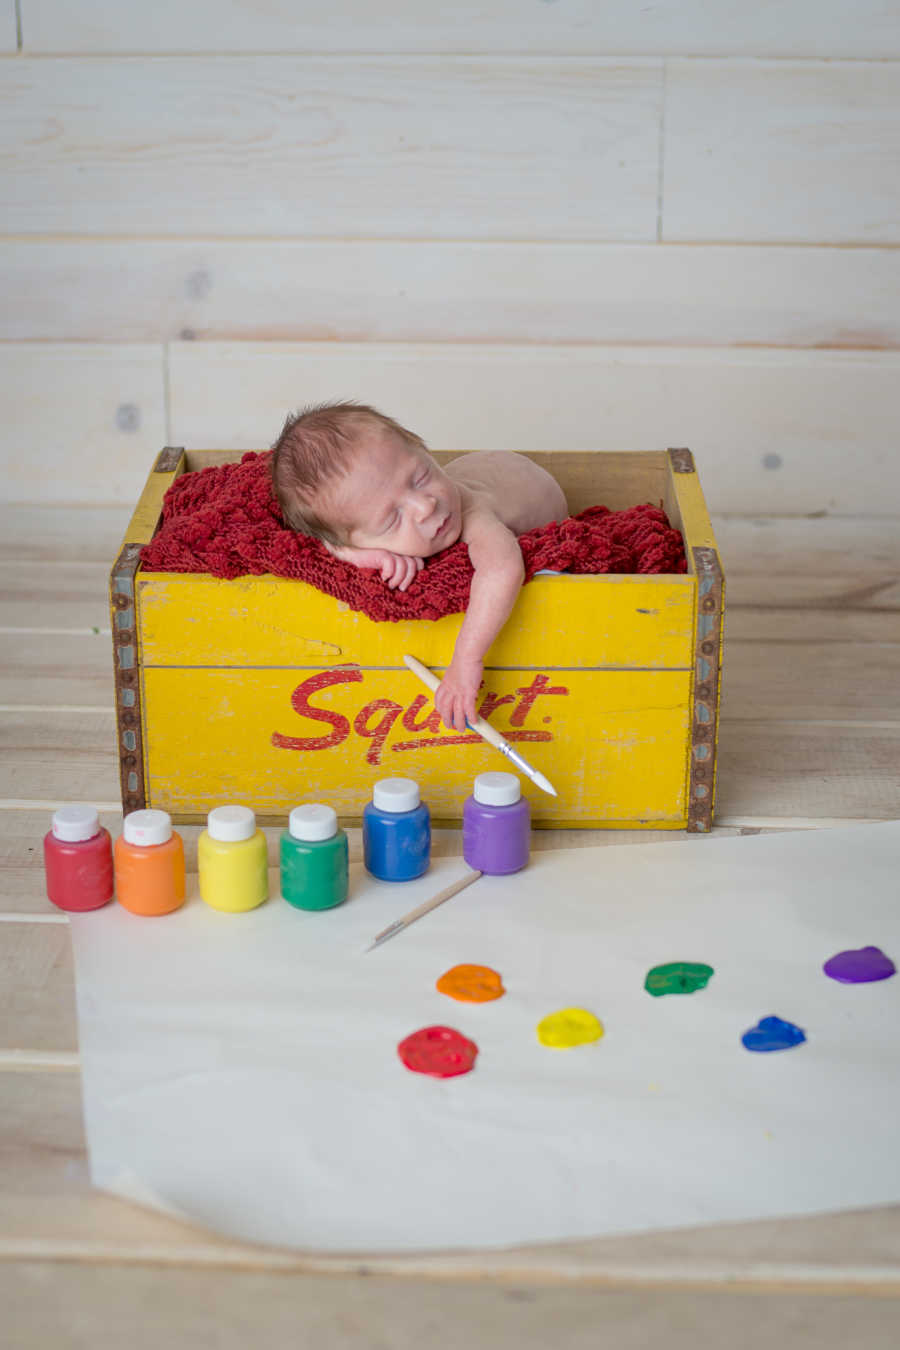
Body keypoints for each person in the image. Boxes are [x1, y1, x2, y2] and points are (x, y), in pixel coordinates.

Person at [270, 401, 568, 732]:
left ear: (424, 450)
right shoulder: (369, 522)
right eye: (392, 518)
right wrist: (362, 556)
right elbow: (319, 543)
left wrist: (466, 659)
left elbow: (502, 569)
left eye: (421, 476)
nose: (426, 505)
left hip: (523, 482)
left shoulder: (474, 515)